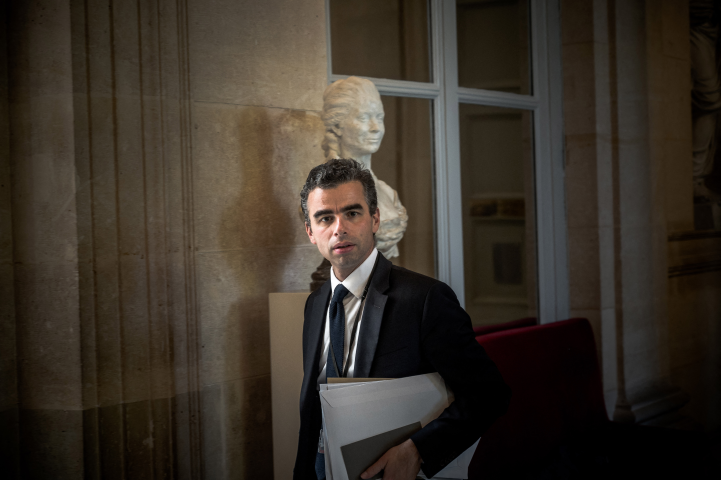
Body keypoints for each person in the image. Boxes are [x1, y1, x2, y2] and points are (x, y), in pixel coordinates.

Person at [294, 159, 511, 480]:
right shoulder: (315, 304)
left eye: (352, 213)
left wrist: (418, 451)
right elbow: (314, 405)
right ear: (311, 232)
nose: (338, 227)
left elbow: (489, 395)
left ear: (375, 219)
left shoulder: (425, 299)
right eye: (325, 218)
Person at [321, 77, 408, 258]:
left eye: (380, 118)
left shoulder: (387, 193)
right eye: (363, 118)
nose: (376, 128)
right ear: (338, 126)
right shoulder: (322, 193)